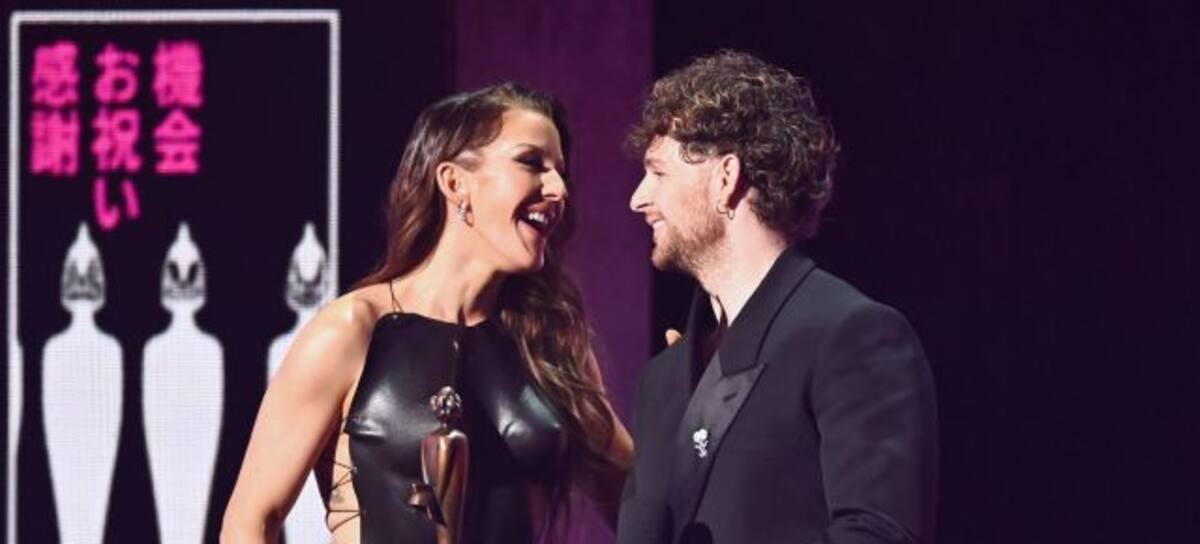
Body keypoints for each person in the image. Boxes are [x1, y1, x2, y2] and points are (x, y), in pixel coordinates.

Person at [222, 83, 632, 543]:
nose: (558, 189)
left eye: (561, 172)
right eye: (531, 163)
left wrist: (689, 394)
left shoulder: (549, 348)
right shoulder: (354, 329)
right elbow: (249, 523)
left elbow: (643, 506)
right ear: (455, 183)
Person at [617, 51, 939, 543]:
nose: (638, 198)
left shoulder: (851, 336)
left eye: (658, 173)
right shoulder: (661, 382)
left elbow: (877, 534)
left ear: (725, 179)